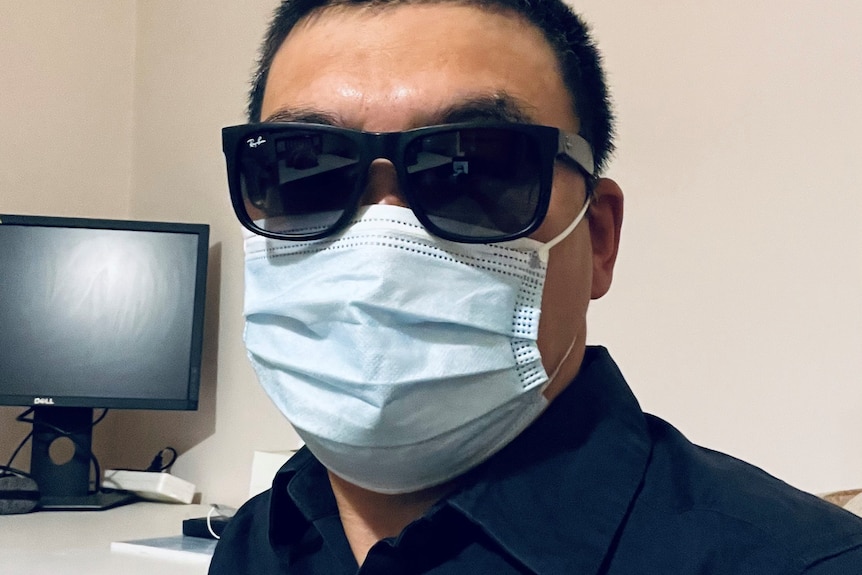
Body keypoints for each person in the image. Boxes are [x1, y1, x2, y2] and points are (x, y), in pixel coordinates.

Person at [210, 0, 862, 572]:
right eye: (304, 169)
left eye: (475, 170)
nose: (380, 239)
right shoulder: (256, 537)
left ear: (598, 237)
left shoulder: (808, 562)